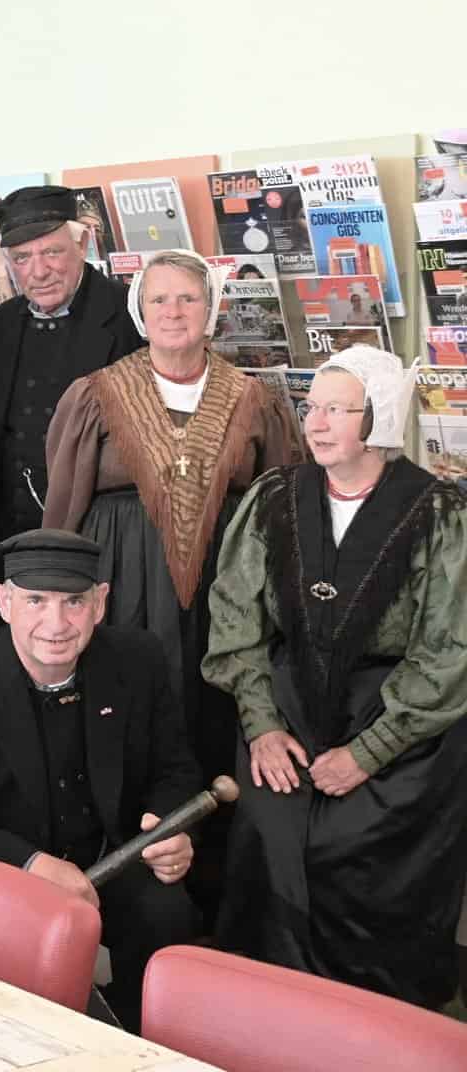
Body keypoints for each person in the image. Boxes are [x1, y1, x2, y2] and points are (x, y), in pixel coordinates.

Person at [203, 347, 467, 1009]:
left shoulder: (440, 514)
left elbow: (448, 652)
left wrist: (367, 753)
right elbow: (236, 622)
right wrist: (262, 727)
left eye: (336, 410)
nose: (315, 424)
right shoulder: (274, 499)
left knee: (365, 861)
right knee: (273, 842)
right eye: (310, 407)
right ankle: (271, 1020)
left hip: (402, 726)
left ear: (378, 420)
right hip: (290, 709)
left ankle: (375, 1029)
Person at [43, 252, 302, 845]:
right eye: (158, 299)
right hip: (121, 574)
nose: (173, 311)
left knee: (214, 701)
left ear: (210, 310)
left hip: (226, 581)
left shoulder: (251, 398)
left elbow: (282, 498)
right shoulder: (97, 394)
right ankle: (127, 844)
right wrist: (60, 592)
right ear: (140, 310)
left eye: (187, 297)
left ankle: (216, 859)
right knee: (129, 698)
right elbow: (64, 505)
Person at [0, 529, 204, 1031]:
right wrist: (32, 865)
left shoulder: (139, 659)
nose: (56, 623)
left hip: (114, 861)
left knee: (166, 914)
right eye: (36, 600)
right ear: (3, 602)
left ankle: (147, 1045)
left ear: (100, 602)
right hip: (6, 878)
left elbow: (175, 769)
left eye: (74, 602)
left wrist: (174, 830)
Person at [0, 185, 143, 626]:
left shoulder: (131, 316)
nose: (38, 271)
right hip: (13, 540)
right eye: (23, 259)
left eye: (51, 252)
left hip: (97, 540)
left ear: (83, 243)